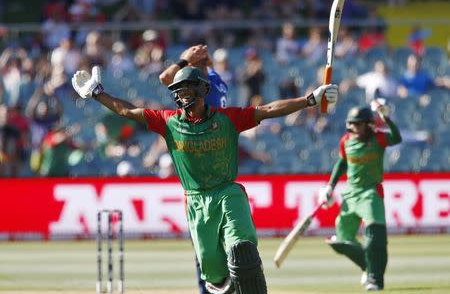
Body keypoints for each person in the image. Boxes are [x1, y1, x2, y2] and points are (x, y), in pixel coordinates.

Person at [71, 65, 338, 294]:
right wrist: (97, 94)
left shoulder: (228, 119)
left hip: (228, 193)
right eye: (179, 90)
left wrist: (310, 99)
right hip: (196, 201)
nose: (182, 94)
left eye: (188, 88)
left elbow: (268, 109)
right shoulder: (169, 122)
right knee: (214, 275)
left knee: (241, 250)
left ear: (202, 90)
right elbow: (128, 111)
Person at [159, 44, 228, 294]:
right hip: (219, 153)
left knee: (204, 241)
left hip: (199, 151)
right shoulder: (217, 81)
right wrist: (201, 62)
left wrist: (183, 59)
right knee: (223, 238)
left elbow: (165, 78)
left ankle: (209, 288)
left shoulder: (198, 90)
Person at [318, 102, 402, 291]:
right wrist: (330, 186)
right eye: (352, 124)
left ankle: (375, 279)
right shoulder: (346, 141)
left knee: (374, 239)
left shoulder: (379, 139)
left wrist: (386, 118)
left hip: (371, 193)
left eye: (359, 124)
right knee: (340, 241)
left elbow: (397, 138)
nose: (355, 128)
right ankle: (369, 266)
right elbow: (342, 163)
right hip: (350, 194)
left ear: (368, 124)